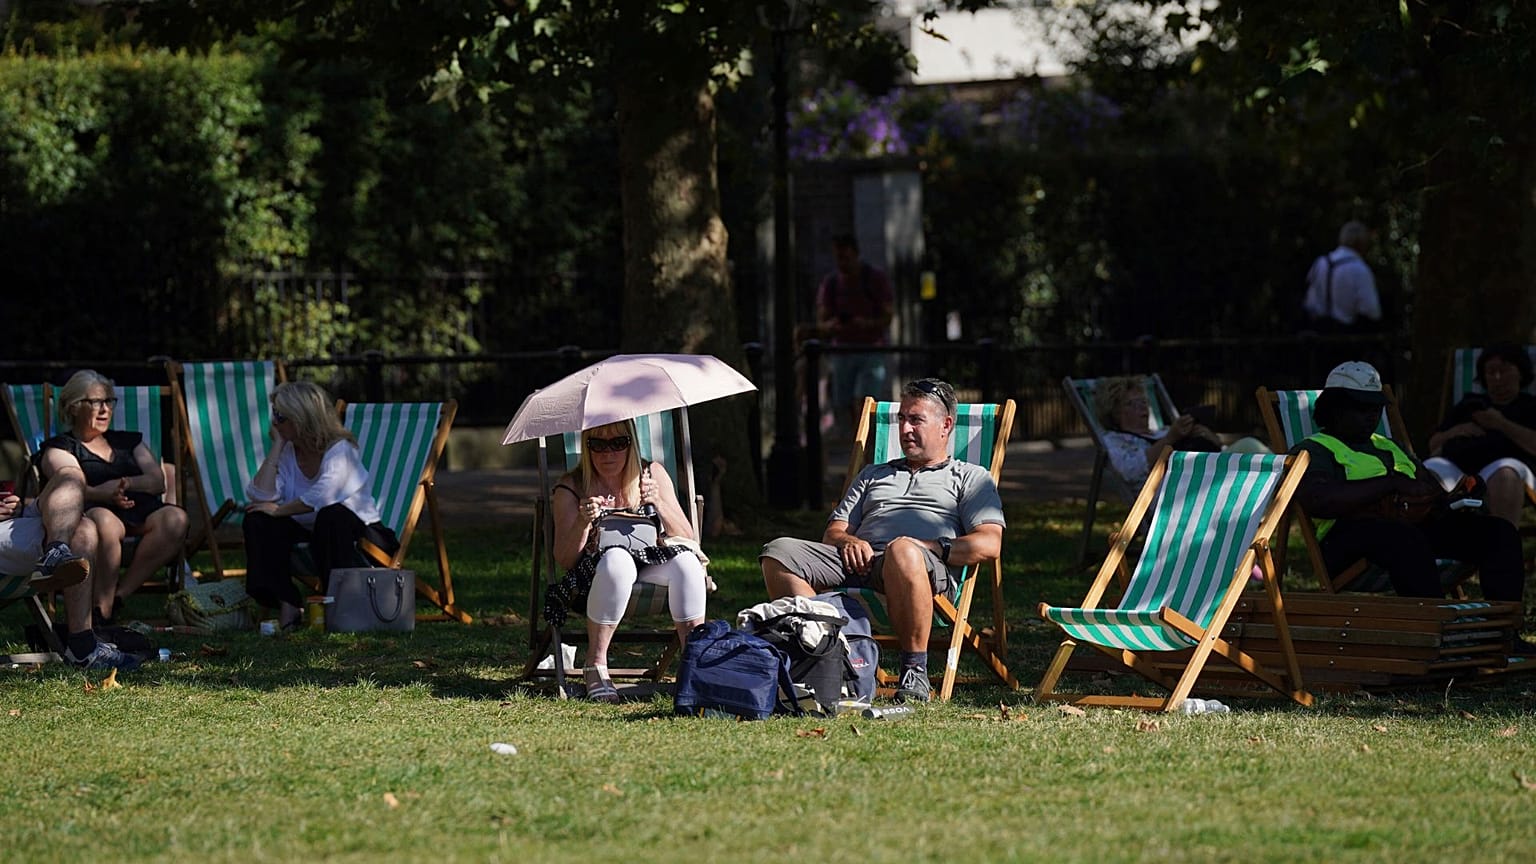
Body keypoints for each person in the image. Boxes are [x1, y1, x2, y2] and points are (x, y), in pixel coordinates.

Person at [759, 378, 1005, 702]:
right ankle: (824, 653)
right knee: (779, 552)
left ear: (946, 425)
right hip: (860, 562)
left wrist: (928, 546)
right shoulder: (873, 474)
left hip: (921, 567)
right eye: (901, 419)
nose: (904, 429)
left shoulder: (970, 477)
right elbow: (832, 532)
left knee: (902, 549)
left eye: (915, 420)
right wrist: (847, 541)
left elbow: (989, 543)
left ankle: (914, 671)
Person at [1289, 361, 1529, 651]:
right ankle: (1437, 635)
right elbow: (1319, 501)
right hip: (1348, 539)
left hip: (1411, 527)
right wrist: (1390, 483)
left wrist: (1459, 496)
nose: (1371, 416)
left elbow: (1428, 489)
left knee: (1499, 532)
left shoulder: (1390, 445)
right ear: (1335, 409)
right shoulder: (1315, 448)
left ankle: (1503, 634)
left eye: (1376, 408)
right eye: (1362, 408)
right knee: (1405, 538)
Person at [545, 419, 708, 702]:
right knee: (618, 560)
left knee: (688, 564)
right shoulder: (571, 487)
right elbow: (565, 559)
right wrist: (583, 522)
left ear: (631, 444)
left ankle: (695, 664)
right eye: (598, 445)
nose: (608, 453)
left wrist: (659, 502)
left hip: (650, 561)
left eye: (618, 443)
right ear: (587, 447)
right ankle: (595, 665)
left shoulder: (651, 474)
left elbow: (688, 537)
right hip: (594, 577)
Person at [243, 381, 398, 630]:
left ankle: (336, 606)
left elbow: (324, 494)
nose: (274, 422)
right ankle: (287, 602)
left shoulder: (340, 449)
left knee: (331, 515)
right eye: (274, 415)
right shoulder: (289, 451)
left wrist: (280, 510)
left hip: (362, 538)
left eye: (280, 416)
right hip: (315, 534)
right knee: (257, 519)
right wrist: (277, 446)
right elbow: (260, 495)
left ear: (301, 417)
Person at [39, 369, 189, 627]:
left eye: (109, 401)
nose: (105, 409)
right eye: (96, 402)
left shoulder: (127, 441)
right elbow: (65, 485)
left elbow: (157, 480)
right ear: (74, 408)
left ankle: (119, 595)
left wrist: (127, 483)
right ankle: (102, 610)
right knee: (106, 523)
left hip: (139, 509)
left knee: (176, 518)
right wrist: (103, 493)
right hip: (92, 511)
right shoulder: (60, 447)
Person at [2, 467, 140, 669]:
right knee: (83, 530)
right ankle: (82, 646)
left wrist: (13, 505)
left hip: (12, 523)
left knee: (71, 474)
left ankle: (56, 549)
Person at [1424, 343, 1536, 528]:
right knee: (1428, 469)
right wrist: (1456, 431)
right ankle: (1433, 547)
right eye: (1491, 372)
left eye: (1505, 370)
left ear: (1521, 373)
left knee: (1505, 473)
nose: (1498, 378)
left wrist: (1501, 424)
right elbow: (1433, 444)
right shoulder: (1470, 403)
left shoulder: (1530, 406)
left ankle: (1503, 548)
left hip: (1504, 466)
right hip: (1459, 466)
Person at [817, 233, 895, 434]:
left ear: (856, 254)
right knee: (846, 405)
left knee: (864, 402)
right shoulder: (832, 283)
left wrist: (866, 324)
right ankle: (858, 445)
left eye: (846, 257)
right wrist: (834, 325)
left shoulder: (874, 279)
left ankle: (866, 446)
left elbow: (887, 316)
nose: (842, 263)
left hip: (870, 348)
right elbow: (822, 321)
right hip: (842, 350)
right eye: (838, 258)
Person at [1095, 376, 1223, 488]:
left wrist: (1211, 438)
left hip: (1209, 476)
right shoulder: (1114, 440)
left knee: (1243, 447)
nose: (1142, 406)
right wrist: (1169, 439)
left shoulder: (1164, 431)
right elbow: (1130, 471)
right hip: (1178, 492)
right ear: (1115, 412)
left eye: (1143, 401)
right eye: (1131, 403)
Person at [1303, 220, 1381, 332]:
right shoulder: (1360, 270)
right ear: (1360, 243)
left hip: (1316, 335)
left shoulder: (1321, 263)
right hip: (1345, 337)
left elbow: (1309, 301)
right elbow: (1372, 311)